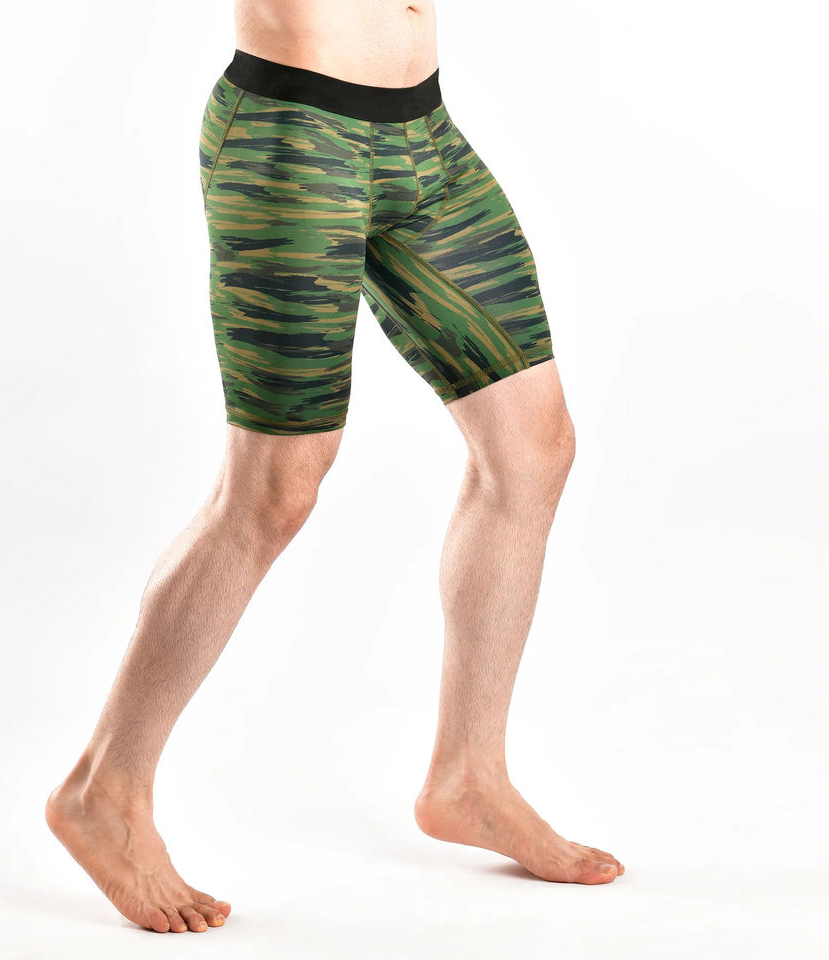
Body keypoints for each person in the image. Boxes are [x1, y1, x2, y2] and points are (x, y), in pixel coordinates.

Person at [46, 0, 624, 935]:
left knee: (532, 446)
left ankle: (469, 777)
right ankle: (102, 790)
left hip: (425, 138)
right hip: (292, 139)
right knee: (273, 490)